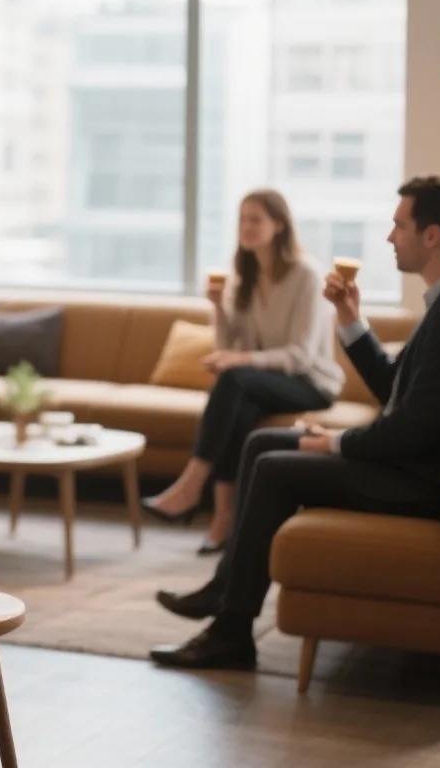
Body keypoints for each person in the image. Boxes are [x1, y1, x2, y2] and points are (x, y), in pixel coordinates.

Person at [149, 175, 440, 671]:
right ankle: (223, 592)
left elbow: (411, 429)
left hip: (421, 482)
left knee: (276, 467)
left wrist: (336, 444)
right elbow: (396, 391)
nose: (390, 238)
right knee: (262, 443)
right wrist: (350, 319)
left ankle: (232, 632)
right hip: (417, 463)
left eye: (399, 226)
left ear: (432, 236)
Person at [143, 190, 344, 555]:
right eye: (242, 220)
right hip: (262, 382)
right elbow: (228, 344)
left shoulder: (307, 276)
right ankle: (223, 520)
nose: (246, 227)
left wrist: (240, 362)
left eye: (256, 219)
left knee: (234, 378)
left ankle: (191, 487)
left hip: (311, 383)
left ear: (279, 225)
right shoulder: (246, 273)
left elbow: (300, 356)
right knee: (237, 403)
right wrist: (218, 308)